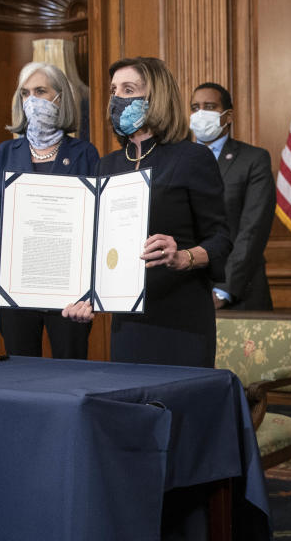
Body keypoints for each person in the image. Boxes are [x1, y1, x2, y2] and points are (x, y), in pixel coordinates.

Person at [64, 57, 231, 368]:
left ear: (156, 97)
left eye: (129, 89)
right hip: (127, 323)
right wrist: (85, 295)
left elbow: (221, 239)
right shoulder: (107, 165)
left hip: (181, 319)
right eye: (114, 90)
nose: (117, 99)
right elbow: (99, 246)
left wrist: (183, 257)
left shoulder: (192, 157)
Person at [0, 62, 101, 359]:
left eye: (40, 91)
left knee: (70, 373)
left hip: (69, 293)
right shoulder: (6, 153)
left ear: (60, 97)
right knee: (21, 377)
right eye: (25, 93)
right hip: (16, 292)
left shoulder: (85, 153)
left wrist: (88, 289)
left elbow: (95, 223)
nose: (32, 100)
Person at [189, 82, 275, 311]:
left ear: (228, 116)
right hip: (187, 289)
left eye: (209, 106)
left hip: (239, 291)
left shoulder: (254, 160)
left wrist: (224, 288)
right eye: (195, 107)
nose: (201, 114)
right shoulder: (178, 159)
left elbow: (253, 229)